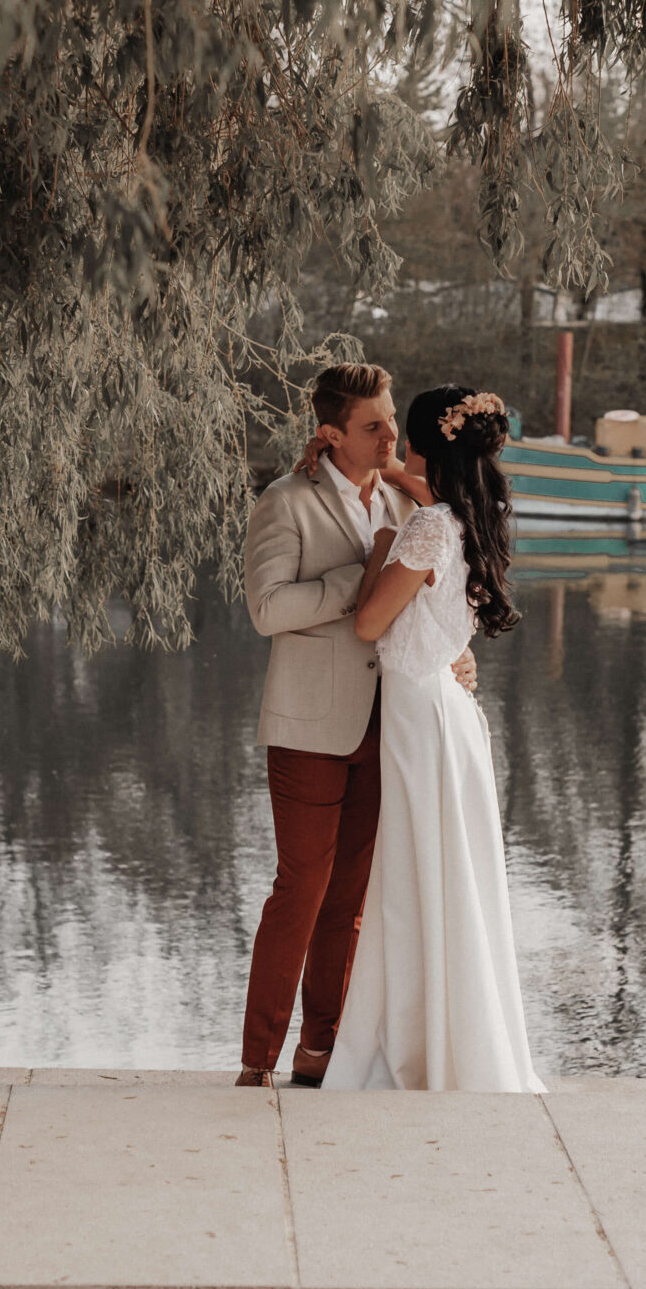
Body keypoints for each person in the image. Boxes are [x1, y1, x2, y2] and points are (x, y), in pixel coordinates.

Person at [238, 364, 476, 1090]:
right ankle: (257, 1059)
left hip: (393, 724)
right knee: (299, 890)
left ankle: (320, 1052)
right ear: (330, 434)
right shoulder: (285, 503)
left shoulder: (412, 507)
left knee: (349, 901)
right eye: (373, 427)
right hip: (310, 725)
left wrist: (456, 656)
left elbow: (435, 593)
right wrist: (364, 578)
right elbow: (267, 611)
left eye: (392, 425)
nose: (389, 438)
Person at [322, 386, 545, 1094]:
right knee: (449, 877)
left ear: (420, 442)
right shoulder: (479, 515)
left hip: (419, 714)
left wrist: (384, 542)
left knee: (415, 877)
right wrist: (393, 478)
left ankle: (414, 1043)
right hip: (448, 712)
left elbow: (367, 625)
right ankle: (456, 1039)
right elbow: (429, 493)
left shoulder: (421, 531)